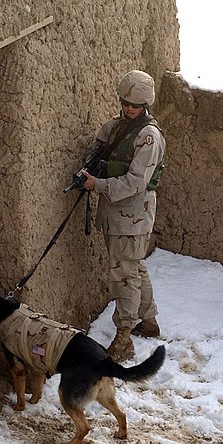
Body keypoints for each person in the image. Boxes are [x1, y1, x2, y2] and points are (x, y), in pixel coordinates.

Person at [81, 70, 166, 362]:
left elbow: (135, 182)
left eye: (135, 105)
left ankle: (123, 338)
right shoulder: (116, 127)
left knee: (124, 275)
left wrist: (98, 184)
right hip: (115, 213)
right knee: (134, 267)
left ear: (146, 106)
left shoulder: (148, 137)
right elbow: (98, 150)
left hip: (132, 215)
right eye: (125, 102)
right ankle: (150, 321)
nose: (129, 108)